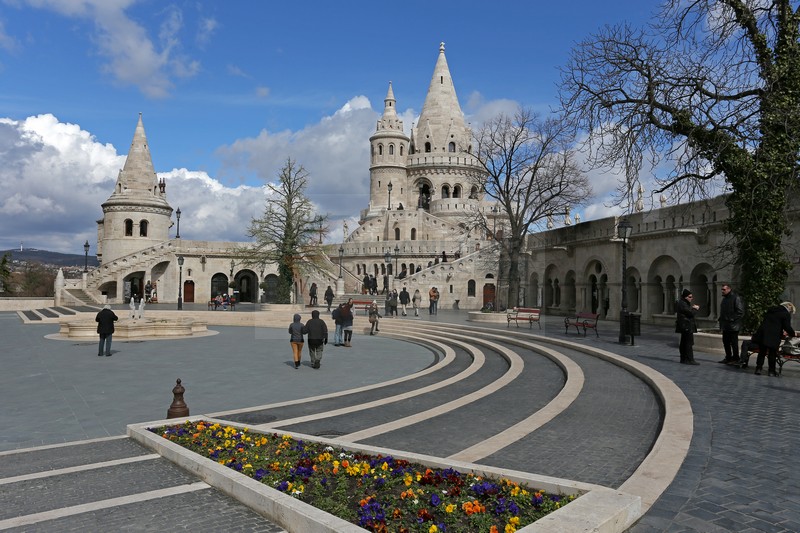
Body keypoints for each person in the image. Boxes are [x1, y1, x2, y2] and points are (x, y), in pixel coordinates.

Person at [753, 302, 796, 376]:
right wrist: (793, 334)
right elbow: (787, 326)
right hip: (774, 335)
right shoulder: (785, 313)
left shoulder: (771, 310)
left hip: (763, 333)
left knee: (762, 352)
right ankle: (771, 371)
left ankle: (758, 369)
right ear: (789, 307)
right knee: (772, 353)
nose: (790, 312)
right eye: (791, 311)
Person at [718, 284, 745, 364]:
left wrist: (731, 319)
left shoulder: (736, 298)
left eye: (724, 289)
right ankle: (728, 357)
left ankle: (735, 358)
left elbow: (740, 312)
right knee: (725, 342)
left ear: (729, 289)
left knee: (734, 343)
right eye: (722, 289)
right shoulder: (725, 299)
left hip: (733, 326)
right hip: (725, 325)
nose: (722, 291)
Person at [675, 289, 700, 365]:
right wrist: (695, 309)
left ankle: (684, 359)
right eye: (690, 297)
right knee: (688, 343)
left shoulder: (683, 303)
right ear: (685, 297)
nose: (691, 298)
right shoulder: (683, 304)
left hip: (685, 326)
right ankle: (690, 359)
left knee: (684, 342)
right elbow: (690, 314)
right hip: (686, 326)